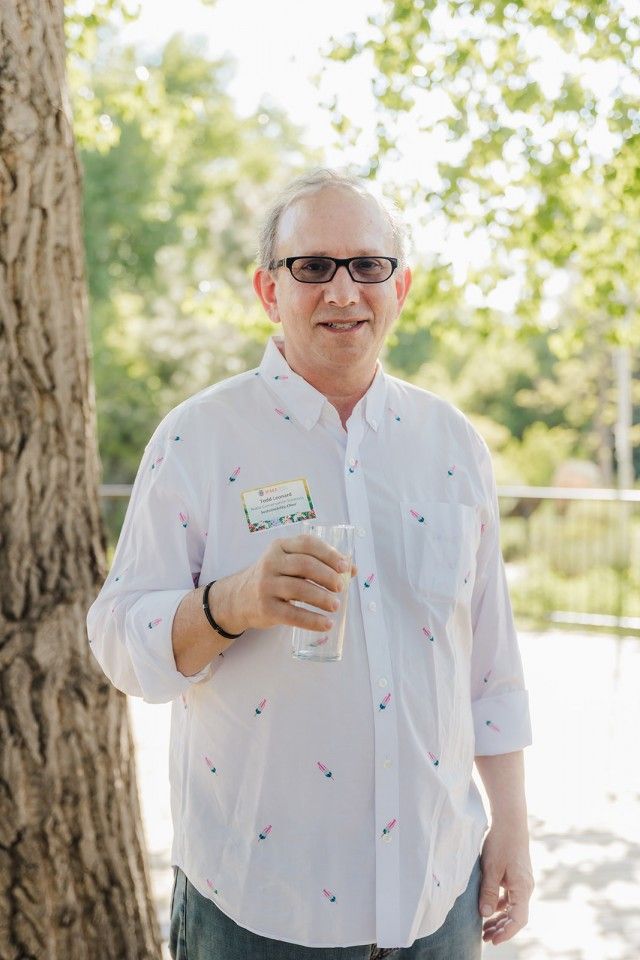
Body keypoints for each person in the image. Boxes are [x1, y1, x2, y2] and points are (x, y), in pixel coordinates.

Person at [87, 168, 534, 960]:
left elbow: (489, 662)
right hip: (259, 906)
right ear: (268, 289)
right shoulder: (199, 438)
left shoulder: (453, 443)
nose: (343, 291)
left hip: (441, 893)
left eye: (368, 266)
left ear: (401, 287)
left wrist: (513, 830)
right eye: (313, 267)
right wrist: (235, 603)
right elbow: (122, 646)